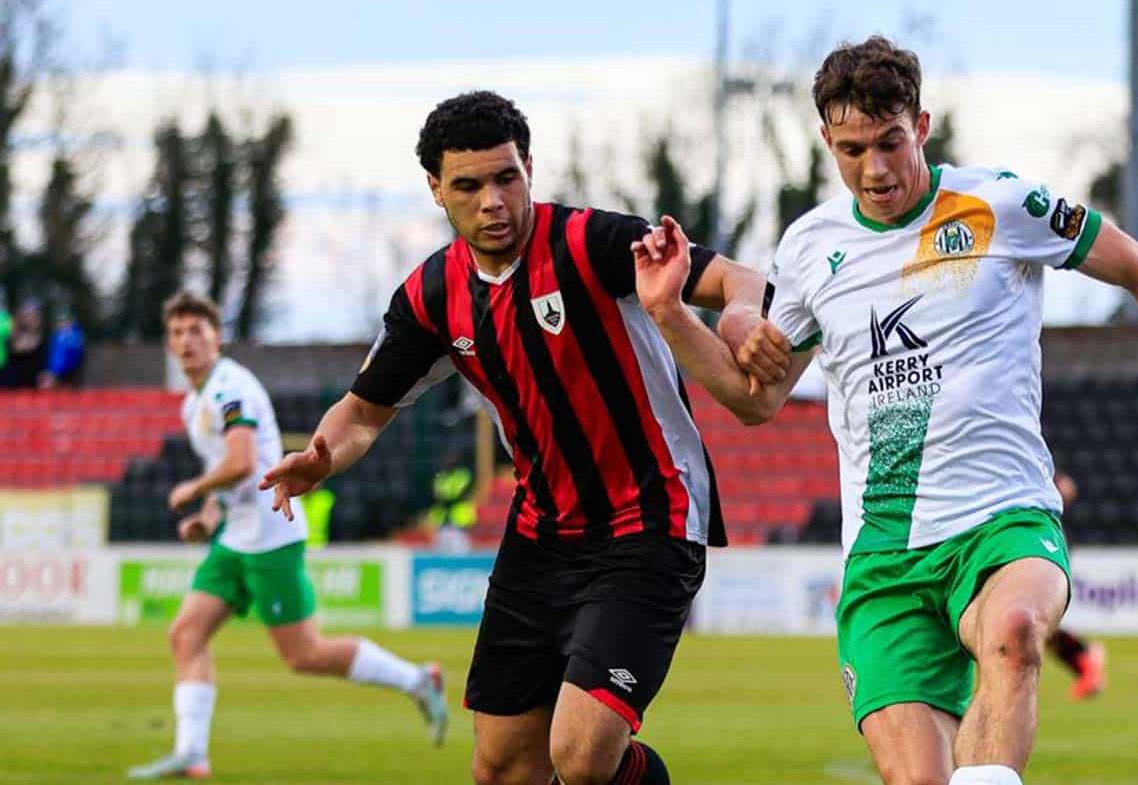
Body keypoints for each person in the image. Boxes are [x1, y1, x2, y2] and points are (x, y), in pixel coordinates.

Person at [631, 36, 1138, 785]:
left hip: (1001, 519)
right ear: (824, 142)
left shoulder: (999, 202)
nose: (873, 169)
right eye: (850, 149)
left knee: (1013, 632)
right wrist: (672, 315)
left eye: (889, 143)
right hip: (884, 556)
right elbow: (757, 400)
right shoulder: (809, 249)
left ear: (923, 126)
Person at [259, 91, 781, 785]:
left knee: (583, 754)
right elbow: (358, 415)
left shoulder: (592, 243)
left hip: (650, 519)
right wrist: (320, 459)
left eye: (507, 177)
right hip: (541, 536)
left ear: (529, 168)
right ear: (437, 191)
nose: (493, 201)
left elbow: (740, 278)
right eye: (469, 186)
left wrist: (742, 310)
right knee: (503, 765)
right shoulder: (431, 297)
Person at [128, 293, 447, 780]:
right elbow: (231, 471)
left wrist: (193, 489)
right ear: (169, 345)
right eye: (177, 333)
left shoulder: (229, 389)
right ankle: (191, 753)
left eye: (197, 330)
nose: (187, 341)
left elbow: (239, 461)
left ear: (216, 337)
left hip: (268, 536)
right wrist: (209, 517)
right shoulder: (195, 401)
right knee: (186, 633)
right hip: (236, 536)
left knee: (305, 654)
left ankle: (417, 680)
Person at [1045, 471, 1106, 700]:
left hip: (1038, 537)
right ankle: (1086, 663)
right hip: (1027, 535)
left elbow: (1068, 487)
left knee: (1034, 623)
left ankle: (1086, 657)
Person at [0, 301, 45, 389]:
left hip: (33, 386)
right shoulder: (14, 336)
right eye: (29, 315)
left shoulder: (42, 336)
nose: (32, 319)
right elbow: (15, 349)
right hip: (13, 385)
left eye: (35, 316)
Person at [41, 312, 85, 388]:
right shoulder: (56, 337)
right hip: (55, 371)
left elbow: (75, 357)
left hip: (69, 372)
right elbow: (51, 354)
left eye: (65, 321)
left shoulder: (75, 337)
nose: (63, 324)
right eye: (61, 322)